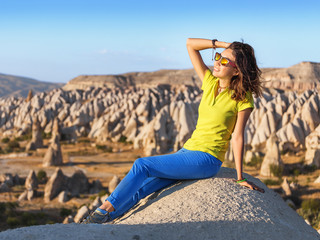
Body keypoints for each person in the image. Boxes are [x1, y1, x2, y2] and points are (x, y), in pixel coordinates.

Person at [82, 38, 265, 224]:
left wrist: (240, 177)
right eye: (218, 57)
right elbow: (190, 45)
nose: (217, 62)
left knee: (142, 165)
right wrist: (223, 46)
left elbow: (238, 136)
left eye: (225, 61)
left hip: (207, 159)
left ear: (237, 70)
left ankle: (103, 209)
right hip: (188, 151)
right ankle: (103, 220)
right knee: (143, 187)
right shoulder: (210, 83)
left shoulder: (242, 98)